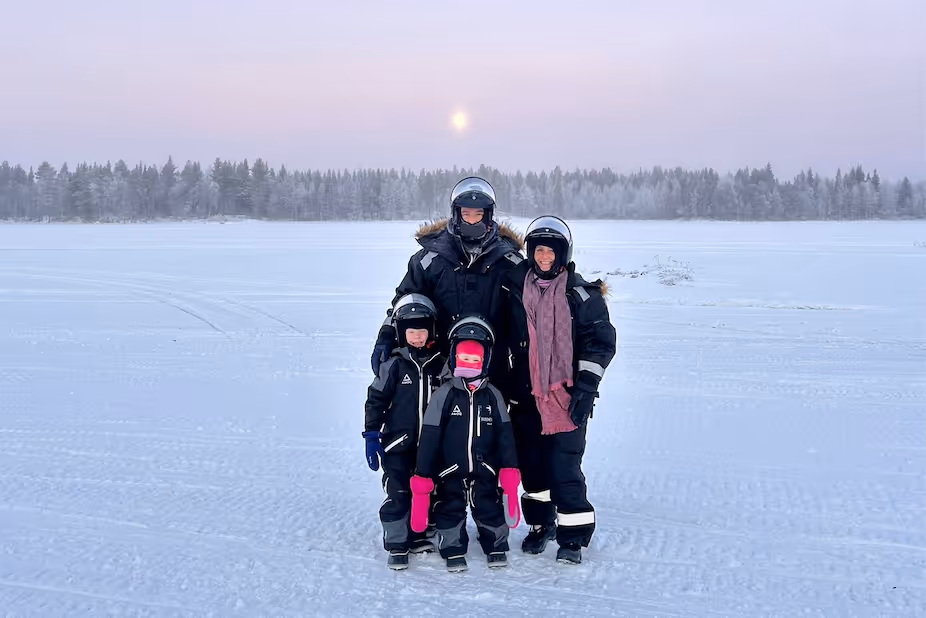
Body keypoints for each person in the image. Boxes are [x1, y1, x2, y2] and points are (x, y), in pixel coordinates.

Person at [499, 215, 617, 565]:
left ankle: (573, 536)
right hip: (524, 396)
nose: (544, 257)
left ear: (563, 254)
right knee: (532, 468)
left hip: (567, 399)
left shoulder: (582, 295)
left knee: (564, 467)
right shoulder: (514, 290)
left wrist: (585, 387)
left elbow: (600, 344)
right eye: (538, 250)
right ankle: (540, 525)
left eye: (551, 251)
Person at [370, 176, 525, 390]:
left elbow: (530, 312)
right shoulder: (430, 259)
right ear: (456, 213)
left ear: (488, 215)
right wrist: (387, 334)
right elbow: (406, 301)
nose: (472, 220)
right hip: (438, 363)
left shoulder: (510, 262)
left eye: (478, 214)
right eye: (466, 214)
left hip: (493, 366)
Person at [408, 315, 521, 572]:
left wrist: (509, 470)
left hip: (486, 469)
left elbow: (505, 436)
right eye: (464, 359)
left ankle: (496, 544)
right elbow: (430, 436)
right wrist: (423, 475)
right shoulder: (444, 394)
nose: (469, 364)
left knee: (489, 507)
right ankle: (453, 547)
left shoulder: (493, 395)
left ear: (485, 361)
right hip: (450, 470)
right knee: (450, 509)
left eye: (475, 360)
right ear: (455, 358)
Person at [362, 293, 447, 570]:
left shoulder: (441, 365)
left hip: (431, 446)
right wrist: (372, 434)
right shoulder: (393, 365)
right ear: (401, 333)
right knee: (398, 491)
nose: (417, 337)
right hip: (397, 443)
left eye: (422, 331)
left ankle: (419, 533)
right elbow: (376, 400)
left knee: (426, 490)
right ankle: (398, 543)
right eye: (411, 332)